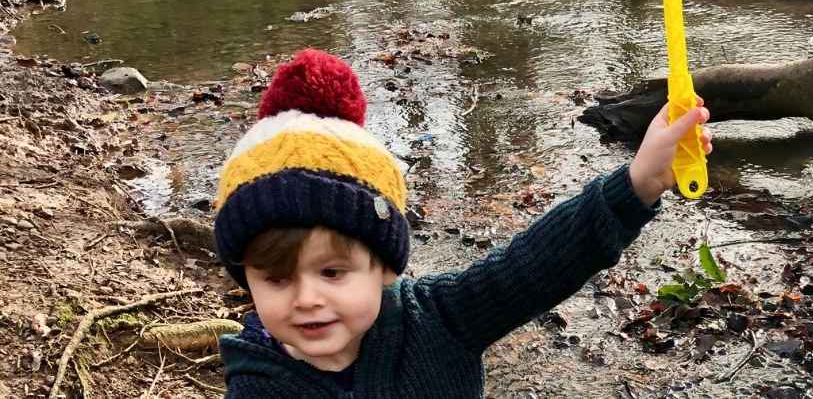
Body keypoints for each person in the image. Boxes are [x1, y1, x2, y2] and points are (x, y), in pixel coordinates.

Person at [215, 48, 712, 397]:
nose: (305, 299)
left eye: (332, 272)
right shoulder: (258, 382)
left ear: (384, 268)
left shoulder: (441, 319)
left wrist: (639, 183)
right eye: (277, 277)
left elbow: (533, 266)